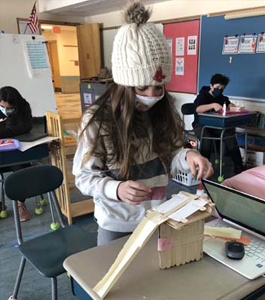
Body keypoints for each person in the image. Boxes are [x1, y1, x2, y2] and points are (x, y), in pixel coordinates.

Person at [73, 1, 213, 246]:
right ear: (123, 85)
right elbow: (84, 177)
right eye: (141, 87)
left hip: (156, 216)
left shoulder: (163, 112)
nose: (152, 94)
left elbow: (171, 151)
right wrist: (115, 189)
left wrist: (188, 155)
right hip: (115, 224)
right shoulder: (99, 120)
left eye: (158, 86)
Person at [192, 74, 244, 175]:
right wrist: (213, 105)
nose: (219, 90)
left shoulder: (222, 98)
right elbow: (197, 109)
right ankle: (204, 168)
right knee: (206, 138)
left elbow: (229, 106)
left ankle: (239, 167)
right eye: (217, 87)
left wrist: (232, 107)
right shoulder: (202, 96)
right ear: (211, 86)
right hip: (201, 125)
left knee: (230, 136)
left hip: (216, 126)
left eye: (222, 88)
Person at [0, 86, 33, 221]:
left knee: (20, 168)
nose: (6, 111)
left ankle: (21, 204)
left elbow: (24, 127)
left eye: (9, 108)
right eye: (2, 107)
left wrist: (5, 130)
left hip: (17, 152)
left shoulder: (24, 107)